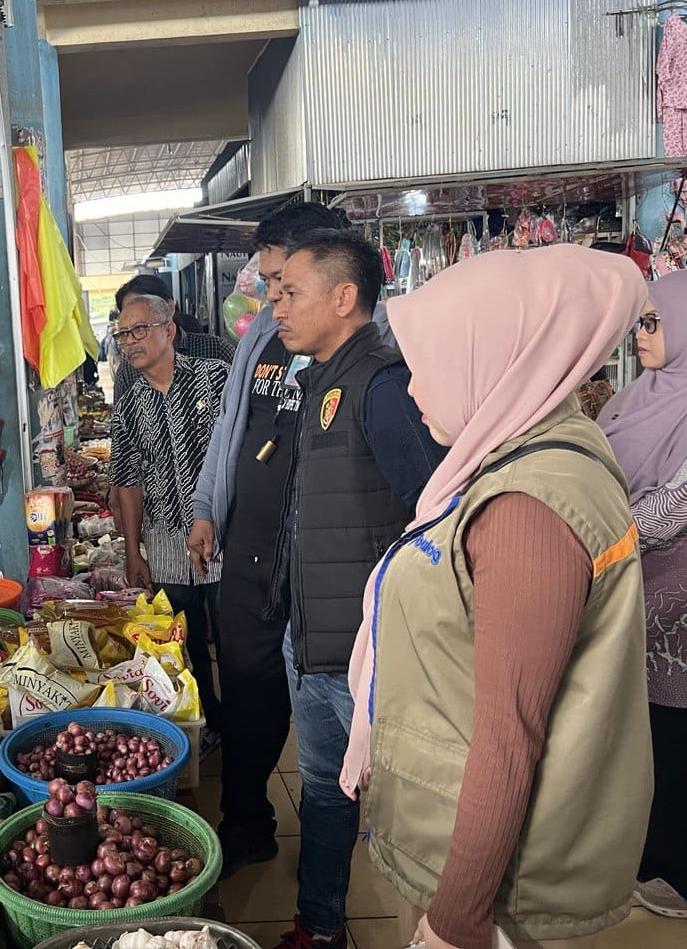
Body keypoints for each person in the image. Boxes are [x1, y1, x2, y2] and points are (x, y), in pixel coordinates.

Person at [341, 246, 653, 949]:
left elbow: (510, 735)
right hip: (460, 834)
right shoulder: (527, 452)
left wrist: (456, 920)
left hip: (490, 880)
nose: (412, 391)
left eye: (429, 367)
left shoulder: (526, 509)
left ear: (498, 363)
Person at [188, 202, 376, 883]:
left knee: (329, 706)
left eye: (282, 283)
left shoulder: (371, 348)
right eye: (268, 282)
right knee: (247, 692)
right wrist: (208, 507)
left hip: (323, 567)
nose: (270, 298)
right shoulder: (263, 335)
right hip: (250, 547)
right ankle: (247, 824)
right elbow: (231, 426)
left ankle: (332, 854)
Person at [270, 229, 446, 949]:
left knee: (404, 815)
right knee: (322, 793)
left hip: (370, 655)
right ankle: (320, 927)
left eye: (292, 292)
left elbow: (436, 514)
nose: (277, 305)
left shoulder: (382, 386)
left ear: (344, 297)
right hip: (314, 643)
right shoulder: (318, 380)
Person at [599, 273, 687, 920]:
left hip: (676, 605)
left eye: (655, 322)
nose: (642, 334)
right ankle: (646, 850)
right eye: (641, 322)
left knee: (675, 732)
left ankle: (675, 869)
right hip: (627, 591)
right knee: (642, 731)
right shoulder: (632, 399)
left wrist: (599, 532)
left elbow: (673, 507)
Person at [109, 293, 227, 731]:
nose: (131, 341)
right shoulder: (128, 408)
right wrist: (133, 552)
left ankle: (240, 721)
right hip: (165, 542)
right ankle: (208, 719)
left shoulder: (216, 380)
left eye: (139, 330)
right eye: (123, 335)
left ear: (169, 330)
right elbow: (128, 484)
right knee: (184, 643)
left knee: (234, 637)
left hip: (222, 535)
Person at [112, 274, 233, 405]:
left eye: (140, 327)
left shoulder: (216, 351)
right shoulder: (127, 371)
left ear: (169, 308)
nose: (130, 340)